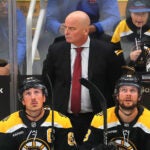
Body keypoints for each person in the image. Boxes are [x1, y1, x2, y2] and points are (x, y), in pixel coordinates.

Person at [42, 11, 122, 145]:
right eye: (65, 27)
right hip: (63, 118)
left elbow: (115, 83)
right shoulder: (56, 49)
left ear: (86, 31)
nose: (66, 32)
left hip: (95, 118)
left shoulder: (106, 51)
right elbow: (47, 81)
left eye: (72, 28)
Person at [36, 0, 120, 74]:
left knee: (112, 45)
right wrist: (59, 27)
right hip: (65, 32)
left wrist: (95, 27)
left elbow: (114, 18)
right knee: (45, 41)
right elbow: (49, 19)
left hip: (94, 31)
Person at [0, 77, 77, 149]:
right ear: (22, 100)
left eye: (36, 92)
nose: (33, 97)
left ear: (44, 97)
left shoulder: (62, 122)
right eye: (28, 93)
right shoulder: (6, 125)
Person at [79, 73, 150, 150]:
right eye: (124, 90)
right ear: (117, 95)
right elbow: (85, 148)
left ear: (139, 96)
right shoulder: (101, 119)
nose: (128, 94)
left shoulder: (148, 120)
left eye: (132, 90)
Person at [111, 0, 150, 73]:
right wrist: (128, 56)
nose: (139, 18)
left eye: (143, 14)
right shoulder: (122, 26)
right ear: (129, 13)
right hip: (127, 69)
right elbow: (113, 50)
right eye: (136, 13)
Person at [0, 0, 26, 75]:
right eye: (0, 3)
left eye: (5, 1)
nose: (4, 5)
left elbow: (21, 42)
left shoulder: (17, 15)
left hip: (11, 59)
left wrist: (12, 64)